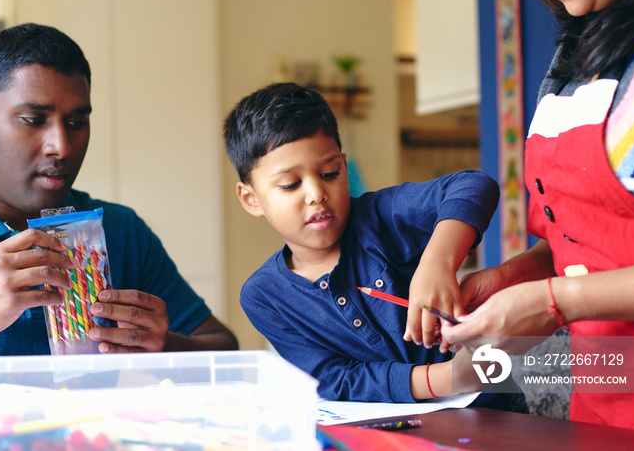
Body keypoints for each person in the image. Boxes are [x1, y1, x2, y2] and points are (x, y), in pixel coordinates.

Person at [442, 0, 634, 429]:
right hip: (609, 394)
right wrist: (511, 279)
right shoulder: (574, 62)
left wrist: (552, 302)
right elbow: (581, 242)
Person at [223, 82, 526, 411]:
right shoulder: (264, 295)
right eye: (290, 184)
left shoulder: (382, 216)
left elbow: (473, 185)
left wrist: (437, 264)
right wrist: (448, 376)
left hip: (490, 411)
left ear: (343, 164)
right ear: (251, 199)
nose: (316, 194)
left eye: (329, 173)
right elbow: (335, 379)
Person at [0, 22, 238, 357]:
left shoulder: (121, 230)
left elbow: (224, 346)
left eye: (76, 123)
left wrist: (167, 345)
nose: (62, 147)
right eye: (33, 120)